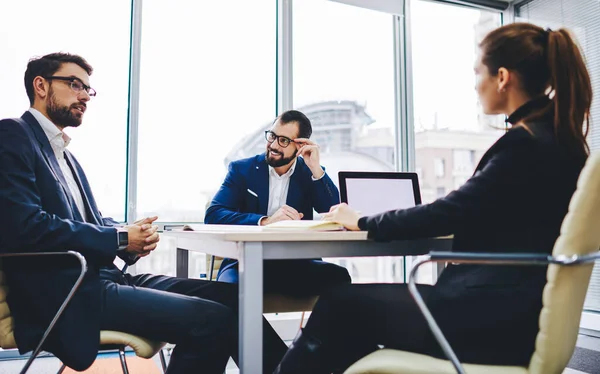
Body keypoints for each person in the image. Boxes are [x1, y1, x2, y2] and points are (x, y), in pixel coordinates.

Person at [273, 22, 593, 374]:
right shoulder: (565, 143)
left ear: (502, 77)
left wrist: (362, 220)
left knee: (339, 304)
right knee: (355, 320)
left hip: (485, 319)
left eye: (477, 73)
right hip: (515, 314)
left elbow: (450, 211)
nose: (475, 85)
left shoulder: (526, 144)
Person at [0, 53, 288, 374]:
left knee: (236, 299)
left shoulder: (63, 154)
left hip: (107, 278)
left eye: (88, 89)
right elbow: (24, 227)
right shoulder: (13, 135)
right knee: (213, 322)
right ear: (40, 85)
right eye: (74, 84)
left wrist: (128, 236)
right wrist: (119, 237)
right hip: (69, 292)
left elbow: (86, 223)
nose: (84, 95)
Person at [205, 110, 351, 296]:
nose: (273, 145)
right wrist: (266, 221)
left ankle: (315, 327)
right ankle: (257, 328)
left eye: (283, 140)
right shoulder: (242, 170)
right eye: (272, 136)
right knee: (229, 291)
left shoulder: (309, 173)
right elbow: (214, 214)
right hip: (245, 263)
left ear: (300, 146)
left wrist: (315, 168)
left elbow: (333, 210)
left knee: (339, 278)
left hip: (298, 263)